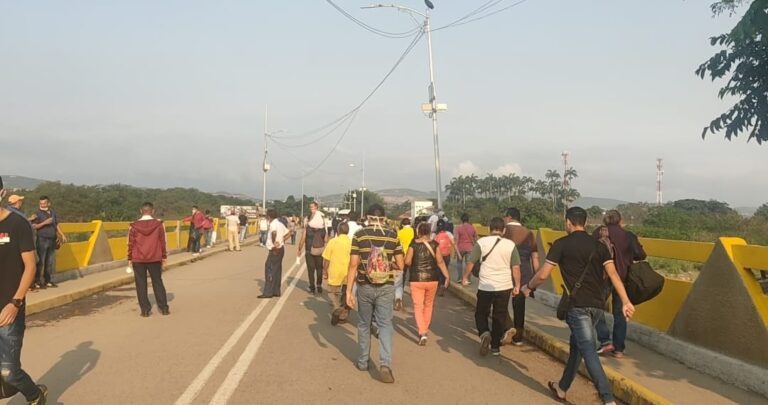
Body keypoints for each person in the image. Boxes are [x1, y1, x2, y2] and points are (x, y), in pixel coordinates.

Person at [521, 207, 635, 405]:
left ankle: (608, 400)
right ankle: (562, 387)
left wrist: (527, 287)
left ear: (568, 222)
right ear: (585, 222)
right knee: (577, 347)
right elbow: (614, 274)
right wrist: (625, 300)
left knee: (588, 350)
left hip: (578, 307)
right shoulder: (599, 246)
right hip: (598, 306)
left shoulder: (561, 244)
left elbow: (542, 274)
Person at [0, 177, 49, 404]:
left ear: (2, 192)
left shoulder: (17, 224)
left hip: (10, 307)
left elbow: (30, 266)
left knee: (9, 370)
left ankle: (35, 395)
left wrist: (16, 302)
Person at [346, 204, 404, 383]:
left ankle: (363, 361)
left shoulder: (359, 235)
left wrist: (349, 291)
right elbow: (401, 265)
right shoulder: (393, 235)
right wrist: (386, 264)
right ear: (384, 218)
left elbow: (353, 265)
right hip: (386, 286)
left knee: (364, 323)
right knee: (385, 324)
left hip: (364, 286)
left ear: (367, 217)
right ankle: (385, 364)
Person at [462, 217, 521, 357]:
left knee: (481, 313)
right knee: (499, 316)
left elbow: (471, 262)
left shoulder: (481, 242)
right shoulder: (510, 244)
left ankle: (484, 333)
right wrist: (517, 285)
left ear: (489, 229)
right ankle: (495, 347)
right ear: (504, 230)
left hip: (485, 286)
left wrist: (465, 277)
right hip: (504, 286)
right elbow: (516, 268)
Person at [593, 210, 646, 358]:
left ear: (605, 219)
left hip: (601, 277)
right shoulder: (628, 235)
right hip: (623, 278)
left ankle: (604, 340)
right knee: (621, 312)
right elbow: (641, 255)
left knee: (596, 307)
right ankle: (619, 349)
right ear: (620, 220)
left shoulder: (598, 232)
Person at [405, 222, 450, 345]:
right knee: (428, 305)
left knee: (418, 306)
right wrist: (447, 276)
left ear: (418, 232)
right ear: (430, 232)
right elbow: (440, 262)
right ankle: (425, 327)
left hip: (416, 279)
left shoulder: (413, 245)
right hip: (432, 279)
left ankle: (422, 332)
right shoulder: (435, 245)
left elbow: (408, 261)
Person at [501, 207, 539, 346]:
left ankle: (507, 327)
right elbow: (535, 257)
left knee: (501, 301)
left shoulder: (504, 232)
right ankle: (518, 337)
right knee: (519, 305)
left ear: (509, 217)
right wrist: (535, 278)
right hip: (524, 273)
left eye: (505, 217)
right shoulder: (529, 233)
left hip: (505, 271)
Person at [127, 202, 170, 317]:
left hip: (138, 258)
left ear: (141, 211)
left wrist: (129, 258)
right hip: (155, 257)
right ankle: (164, 308)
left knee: (141, 284)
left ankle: (145, 310)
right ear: (153, 211)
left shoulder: (133, 225)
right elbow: (163, 241)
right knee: (157, 282)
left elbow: (130, 243)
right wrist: (164, 256)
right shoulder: (159, 224)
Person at [30, 196, 66, 289]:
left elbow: (56, 224)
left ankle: (48, 280)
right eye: (41, 203)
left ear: (48, 203)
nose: (42, 205)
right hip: (42, 239)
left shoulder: (53, 213)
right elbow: (34, 226)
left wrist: (62, 234)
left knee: (49, 261)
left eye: (44, 203)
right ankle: (37, 281)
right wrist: (44, 223)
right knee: (41, 261)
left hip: (52, 239)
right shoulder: (37, 214)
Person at [322, 222, 352, 325]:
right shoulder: (352, 242)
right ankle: (343, 316)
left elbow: (326, 259)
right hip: (348, 274)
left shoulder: (333, 242)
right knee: (345, 295)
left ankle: (336, 307)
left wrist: (325, 271)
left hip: (335, 273)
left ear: (338, 231)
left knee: (332, 293)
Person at [259, 209, 289, 299]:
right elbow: (289, 233)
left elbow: (274, 233)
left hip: (274, 249)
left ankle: (268, 292)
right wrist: (281, 241)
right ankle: (276, 290)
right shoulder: (280, 223)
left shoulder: (273, 224)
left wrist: (275, 243)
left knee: (270, 269)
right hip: (281, 249)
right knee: (277, 270)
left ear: (269, 217)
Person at [298, 202, 326, 294]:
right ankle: (318, 285)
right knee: (319, 268)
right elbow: (326, 237)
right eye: (310, 207)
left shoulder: (308, 226)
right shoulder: (322, 224)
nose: (311, 208)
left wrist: (299, 249)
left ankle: (313, 286)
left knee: (311, 269)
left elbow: (303, 237)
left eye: (312, 207)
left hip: (310, 249)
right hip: (318, 249)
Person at [434, 219, 460, 297]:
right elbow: (454, 243)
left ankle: (440, 285)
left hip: (438, 256)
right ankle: (444, 285)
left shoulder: (435, 235)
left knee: (439, 271)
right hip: (447, 255)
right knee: (445, 269)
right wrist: (458, 254)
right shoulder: (448, 234)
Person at [395, 218, 415, 311]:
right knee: (412, 274)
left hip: (402, 256)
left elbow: (397, 244)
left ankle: (400, 294)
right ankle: (414, 291)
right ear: (409, 224)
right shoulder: (413, 231)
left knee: (401, 276)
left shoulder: (400, 232)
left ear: (402, 224)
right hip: (412, 255)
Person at [454, 213, 478, 282]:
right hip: (470, 248)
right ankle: (467, 278)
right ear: (468, 220)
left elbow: (456, 240)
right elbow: (476, 239)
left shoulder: (458, 228)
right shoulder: (473, 227)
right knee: (468, 264)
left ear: (461, 220)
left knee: (459, 263)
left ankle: (460, 278)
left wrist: (457, 252)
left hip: (460, 248)